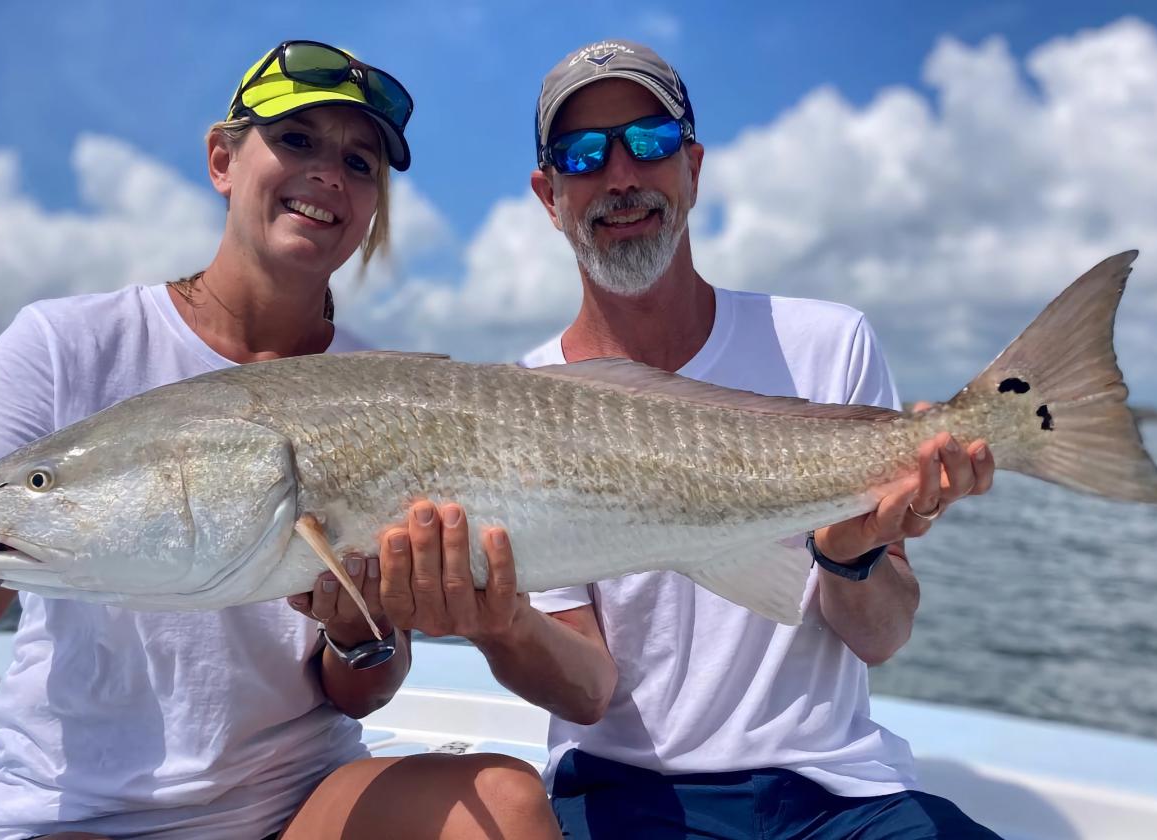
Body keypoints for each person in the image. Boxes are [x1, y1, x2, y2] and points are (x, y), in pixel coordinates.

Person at [0, 41, 557, 840]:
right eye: (297, 139)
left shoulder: (389, 389)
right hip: (74, 812)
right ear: (221, 160)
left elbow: (360, 690)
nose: (330, 175)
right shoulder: (64, 345)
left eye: (361, 162)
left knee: (504, 808)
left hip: (298, 797)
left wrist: (357, 636)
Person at [380, 40, 1002, 838]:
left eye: (649, 141)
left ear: (693, 166)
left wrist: (853, 556)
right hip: (627, 791)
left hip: (843, 794)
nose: (619, 176)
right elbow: (588, 690)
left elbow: (880, 637)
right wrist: (496, 625)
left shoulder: (827, 342)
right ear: (548, 194)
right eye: (581, 154)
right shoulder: (512, 402)